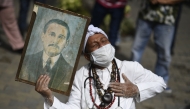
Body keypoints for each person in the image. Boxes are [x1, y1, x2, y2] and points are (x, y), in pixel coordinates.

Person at [35, 25, 166, 109]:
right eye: (95, 45)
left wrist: (136, 89)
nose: (102, 46)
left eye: (104, 41)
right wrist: (49, 97)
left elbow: (160, 83)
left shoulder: (129, 67)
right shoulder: (81, 75)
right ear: (87, 56)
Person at [131, 0, 183, 93]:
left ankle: (161, 83)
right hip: (145, 14)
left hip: (167, 18)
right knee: (136, 49)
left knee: (164, 53)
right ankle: (131, 78)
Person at [20, 19, 73, 91]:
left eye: (61, 37)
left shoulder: (70, 72)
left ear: (66, 43)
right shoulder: (26, 61)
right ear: (43, 36)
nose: (55, 41)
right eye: (52, 34)